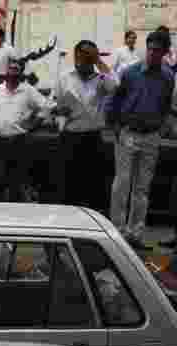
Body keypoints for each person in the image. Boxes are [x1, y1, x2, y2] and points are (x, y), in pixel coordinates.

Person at [106, 29, 177, 250]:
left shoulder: (168, 76)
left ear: (165, 52)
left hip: (151, 137)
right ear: (146, 49)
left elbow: (166, 105)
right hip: (128, 134)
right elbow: (114, 101)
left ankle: (135, 234)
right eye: (150, 49)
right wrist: (116, 127)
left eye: (158, 51)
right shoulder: (130, 72)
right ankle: (117, 234)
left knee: (142, 189)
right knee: (122, 184)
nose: (153, 54)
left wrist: (161, 126)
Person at [54, 39, 117, 210]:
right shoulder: (64, 78)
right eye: (85, 54)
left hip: (92, 139)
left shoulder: (100, 78)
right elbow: (56, 104)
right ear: (76, 56)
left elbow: (114, 86)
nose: (87, 58)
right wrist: (60, 113)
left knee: (94, 187)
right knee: (68, 187)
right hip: (70, 137)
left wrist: (99, 62)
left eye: (92, 55)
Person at [0, 58, 50, 202]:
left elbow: (47, 106)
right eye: (10, 68)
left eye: (16, 69)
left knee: (18, 182)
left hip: (19, 142)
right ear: (5, 72)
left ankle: (17, 216)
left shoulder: (28, 90)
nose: (13, 72)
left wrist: (35, 123)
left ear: (21, 73)